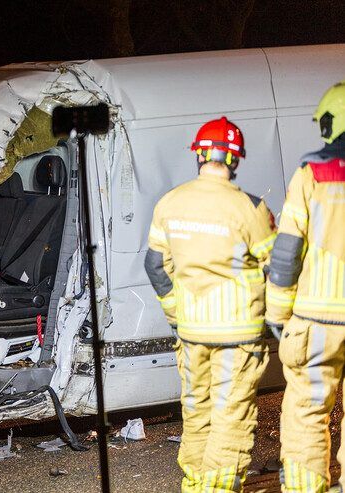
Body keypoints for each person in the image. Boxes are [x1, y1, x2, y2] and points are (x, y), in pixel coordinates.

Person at [144, 117, 276, 492]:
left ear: (199, 155)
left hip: (191, 332)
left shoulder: (169, 203)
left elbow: (155, 266)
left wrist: (175, 314)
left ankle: (196, 485)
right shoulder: (249, 207)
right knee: (230, 417)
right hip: (238, 332)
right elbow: (277, 268)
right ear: (235, 159)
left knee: (197, 413)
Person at [266, 81, 345, 492]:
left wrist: (278, 315)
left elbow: (286, 254)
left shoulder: (311, 174)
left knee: (307, 413)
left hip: (316, 321)